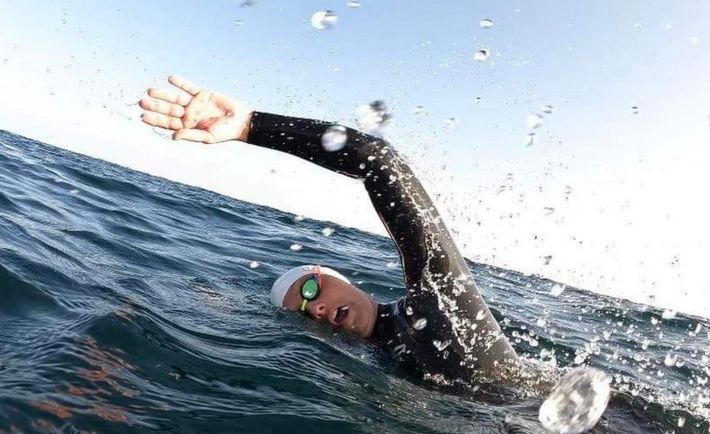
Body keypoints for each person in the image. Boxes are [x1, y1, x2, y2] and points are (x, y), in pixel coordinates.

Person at [138, 76, 520, 387]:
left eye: (311, 290)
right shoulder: (371, 365)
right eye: (303, 313)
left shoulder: (435, 301)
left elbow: (377, 160)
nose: (316, 308)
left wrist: (251, 125)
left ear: (334, 275)